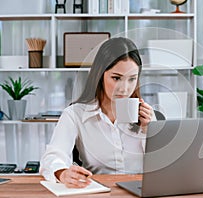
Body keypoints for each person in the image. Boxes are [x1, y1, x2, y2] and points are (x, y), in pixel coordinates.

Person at [40, 37, 155, 188]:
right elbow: (53, 156)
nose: (124, 88)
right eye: (116, 78)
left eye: (131, 79)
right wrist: (62, 173)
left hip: (141, 192)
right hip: (98, 191)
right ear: (100, 75)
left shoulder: (148, 117)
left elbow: (166, 167)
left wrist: (151, 131)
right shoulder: (75, 114)